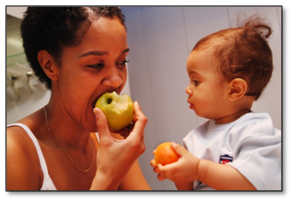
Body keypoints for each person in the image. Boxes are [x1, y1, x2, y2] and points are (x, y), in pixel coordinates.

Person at [7, 7, 151, 190]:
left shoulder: (112, 138)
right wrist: (107, 178)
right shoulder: (13, 150)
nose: (117, 79)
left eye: (122, 62)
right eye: (96, 64)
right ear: (50, 66)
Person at [151, 15, 281, 190]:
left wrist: (198, 170)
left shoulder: (257, 132)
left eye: (196, 81)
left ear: (234, 90)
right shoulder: (193, 139)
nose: (188, 89)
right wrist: (180, 175)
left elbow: (253, 183)